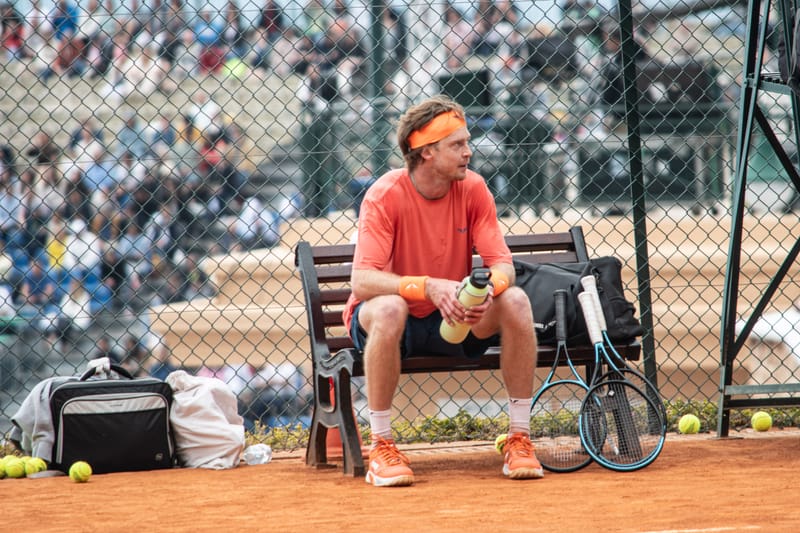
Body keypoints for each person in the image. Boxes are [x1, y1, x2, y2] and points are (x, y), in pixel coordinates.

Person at [344, 95, 543, 487]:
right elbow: (362, 280)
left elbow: (502, 266)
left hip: (455, 318)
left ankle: (519, 437)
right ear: (427, 153)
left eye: (467, 142)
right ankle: (381, 445)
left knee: (516, 301)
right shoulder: (384, 194)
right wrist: (429, 287)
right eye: (458, 145)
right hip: (389, 321)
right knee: (389, 308)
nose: (469, 152)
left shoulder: (474, 189)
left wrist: (489, 291)